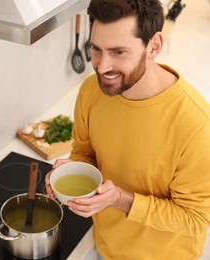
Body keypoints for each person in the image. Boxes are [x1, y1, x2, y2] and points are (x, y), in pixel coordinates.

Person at [44, 0, 210, 259]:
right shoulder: (91, 91)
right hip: (104, 246)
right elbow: (84, 152)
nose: (101, 66)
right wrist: (72, 169)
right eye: (96, 49)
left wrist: (120, 199)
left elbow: (195, 219)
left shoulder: (195, 125)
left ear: (154, 46)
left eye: (118, 52)